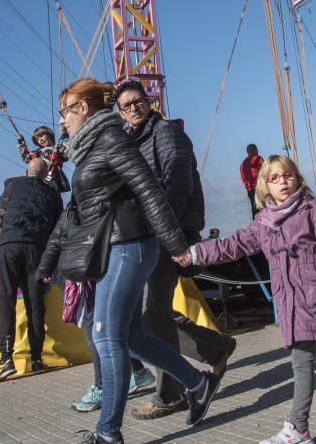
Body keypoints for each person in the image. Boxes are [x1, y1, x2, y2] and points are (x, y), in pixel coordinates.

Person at [176, 155, 316, 444]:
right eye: (274, 178)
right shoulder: (263, 223)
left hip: (314, 297)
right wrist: (195, 254)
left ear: (297, 179)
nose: (282, 181)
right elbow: (232, 246)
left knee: (301, 359)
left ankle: (298, 428)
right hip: (288, 302)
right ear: (264, 187)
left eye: (287, 175)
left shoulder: (312, 211)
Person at [59, 78, 219, 444]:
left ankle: (108, 432)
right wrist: (47, 259)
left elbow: (156, 189)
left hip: (132, 245)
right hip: (120, 244)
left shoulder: (122, 139)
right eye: (125, 103)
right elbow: (79, 210)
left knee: (107, 335)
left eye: (65, 112)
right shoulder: (99, 145)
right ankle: (197, 383)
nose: (62, 121)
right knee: (131, 336)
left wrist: (175, 241)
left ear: (83, 109)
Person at [113, 80, 237, 421]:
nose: (133, 108)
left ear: (148, 101)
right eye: (125, 105)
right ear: (120, 112)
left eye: (137, 101)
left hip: (166, 232)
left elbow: (177, 184)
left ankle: (171, 393)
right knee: (151, 314)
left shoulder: (166, 134)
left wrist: (164, 232)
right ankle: (214, 347)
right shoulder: (131, 142)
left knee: (149, 315)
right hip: (146, 234)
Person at [35, 211, 156, 413]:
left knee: (99, 331)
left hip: (114, 267)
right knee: (120, 332)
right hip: (89, 271)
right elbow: (58, 236)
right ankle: (139, 372)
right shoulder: (75, 205)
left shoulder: (109, 196)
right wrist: (45, 268)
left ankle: (104, 387)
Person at [0, 158, 63, 382]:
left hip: (8, 247)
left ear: (26, 171)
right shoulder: (53, 195)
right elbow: (57, 226)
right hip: (36, 250)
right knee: (35, 303)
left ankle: (5, 359)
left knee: (6, 300)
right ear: (46, 176)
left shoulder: (11, 186)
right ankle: (37, 359)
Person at [16, 125, 70, 193]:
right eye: (38, 139)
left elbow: (68, 151)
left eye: (41, 136)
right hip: (37, 181)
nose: (40, 140)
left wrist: (64, 134)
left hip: (52, 179)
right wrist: (20, 142)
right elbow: (26, 157)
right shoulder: (36, 153)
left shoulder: (58, 149)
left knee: (52, 198)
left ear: (49, 135)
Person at [240, 144, 264, 218]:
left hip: (250, 189)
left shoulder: (242, 164)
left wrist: (248, 188)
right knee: (264, 207)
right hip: (260, 187)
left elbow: (243, 179)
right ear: (255, 150)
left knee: (254, 209)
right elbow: (266, 170)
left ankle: (256, 225)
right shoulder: (258, 159)